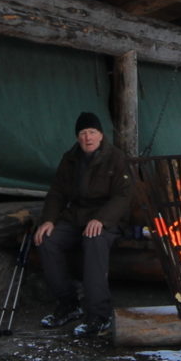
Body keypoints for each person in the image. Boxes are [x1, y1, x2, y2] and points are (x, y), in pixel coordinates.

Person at [34, 111, 132, 337]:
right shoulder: (71, 159)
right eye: (83, 133)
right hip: (77, 216)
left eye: (92, 132)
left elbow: (123, 196)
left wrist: (101, 219)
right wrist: (48, 220)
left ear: (101, 135)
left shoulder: (116, 158)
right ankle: (68, 304)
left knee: (93, 240)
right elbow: (57, 192)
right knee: (46, 240)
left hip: (108, 218)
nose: (88, 137)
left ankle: (100, 314)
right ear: (77, 137)